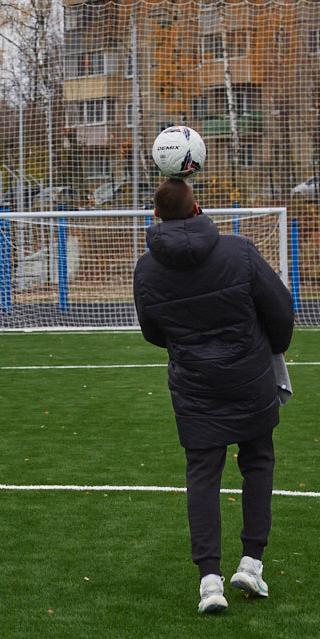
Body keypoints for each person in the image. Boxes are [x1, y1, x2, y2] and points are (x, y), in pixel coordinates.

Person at [132, 177, 294, 614]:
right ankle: (251, 563)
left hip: (194, 385)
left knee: (203, 474)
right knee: (257, 461)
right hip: (249, 377)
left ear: (156, 217)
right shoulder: (239, 251)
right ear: (197, 207)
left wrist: (189, 347)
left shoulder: (146, 269)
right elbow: (281, 310)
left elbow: (152, 332)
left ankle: (209, 581)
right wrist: (269, 346)